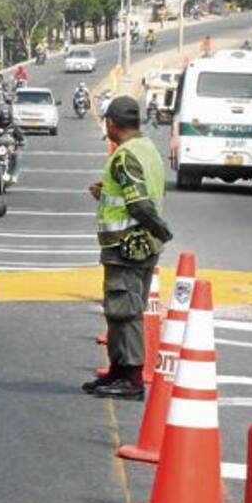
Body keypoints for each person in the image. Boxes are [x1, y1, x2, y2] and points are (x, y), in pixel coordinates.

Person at [83, 96, 172, 399]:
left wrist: (161, 230)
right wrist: (105, 192)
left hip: (128, 246)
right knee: (120, 309)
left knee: (125, 311)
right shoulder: (148, 149)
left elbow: (139, 204)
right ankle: (118, 372)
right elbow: (135, 194)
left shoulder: (124, 156)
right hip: (139, 244)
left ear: (111, 124)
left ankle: (131, 378)